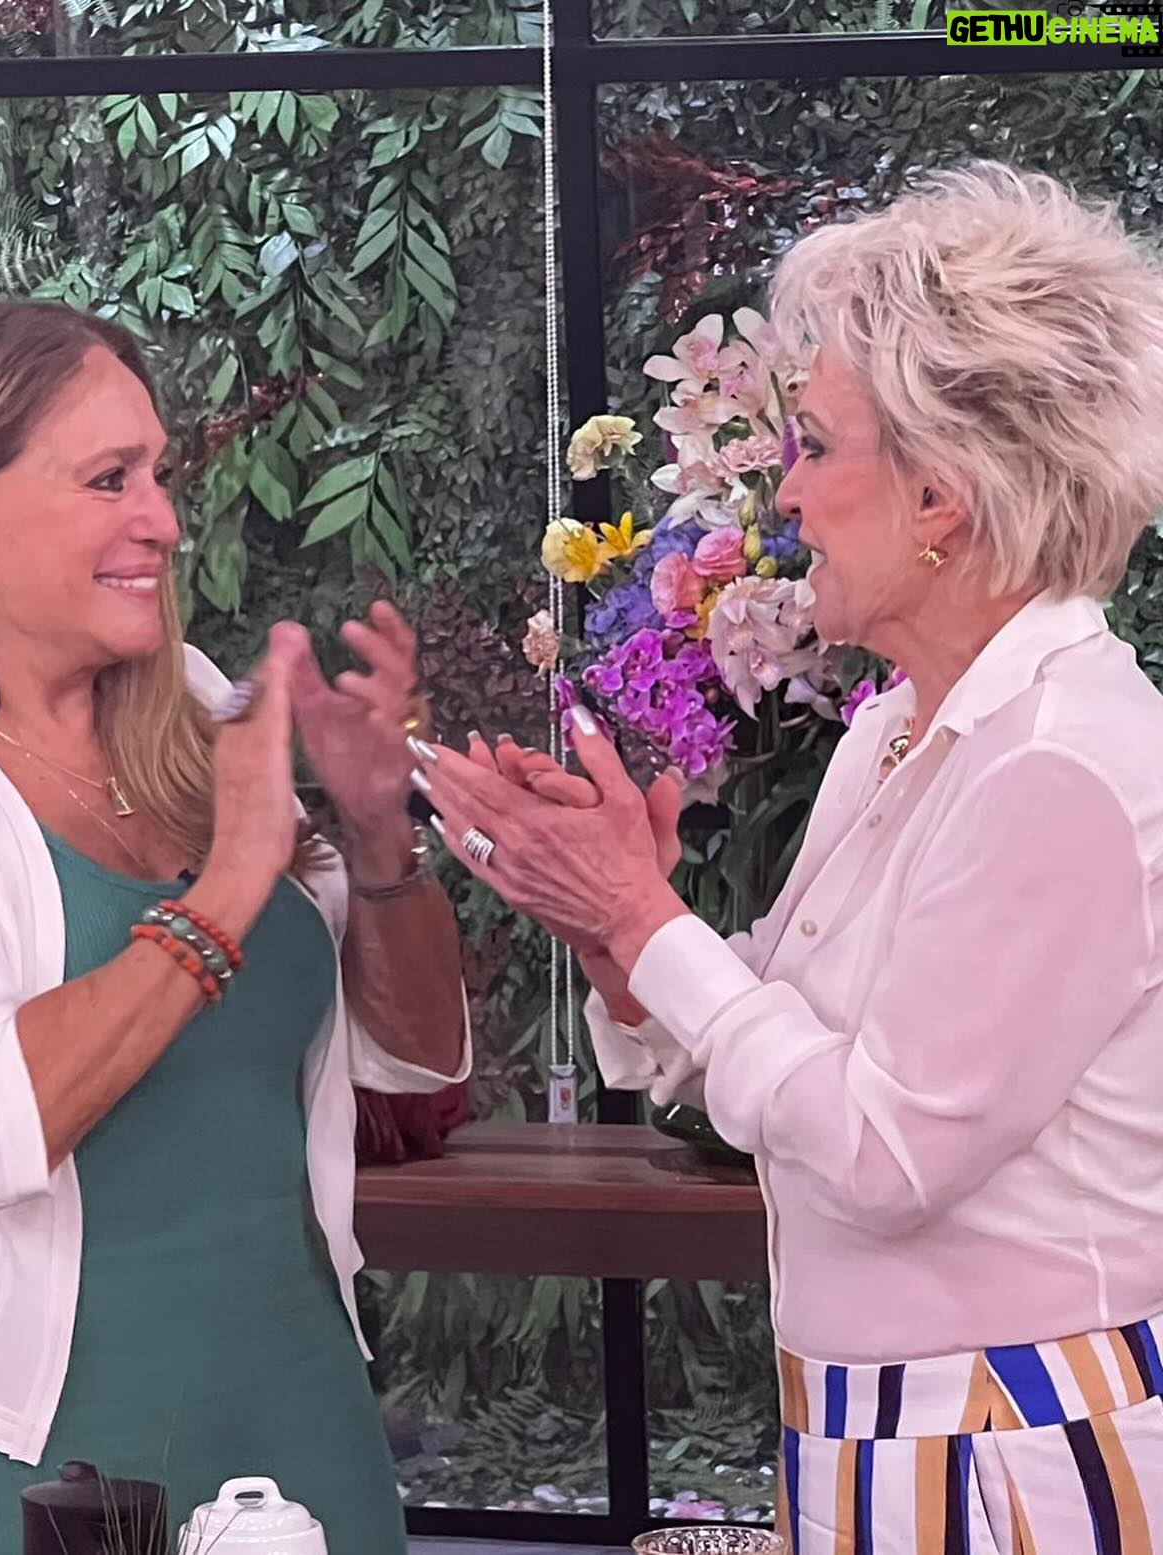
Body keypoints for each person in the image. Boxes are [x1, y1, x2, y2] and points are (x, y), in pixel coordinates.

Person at [415, 162, 1163, 1552]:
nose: (787, 495)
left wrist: (647, 922)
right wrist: (618, 939)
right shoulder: (900, 730)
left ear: (942, 495)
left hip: (1007, 1453)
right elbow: (773, 1050)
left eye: (814, 446)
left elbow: (881, 1154)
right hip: (888, 1431)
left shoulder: (1059, 761)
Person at [0, 299, 468, 1555]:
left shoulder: (193, 711)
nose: (163, 520)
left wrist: (382, 831)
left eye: (159, 476)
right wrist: (225, 889)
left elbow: (416, 1055)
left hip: (293, 1403)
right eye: (109, 479)